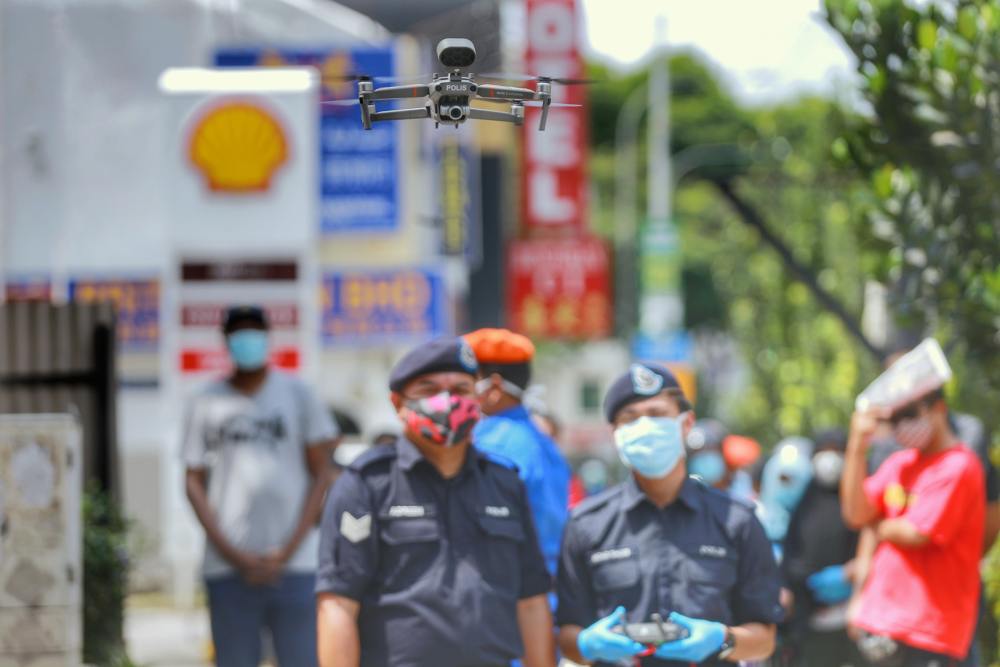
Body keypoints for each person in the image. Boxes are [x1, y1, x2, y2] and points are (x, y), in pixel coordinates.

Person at [315, 336, 556, 667]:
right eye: (429, 390)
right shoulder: (366, 485)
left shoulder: (504, 483)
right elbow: (338, 604)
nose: (448, 401)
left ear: (478, 396)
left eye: (460, 389)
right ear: (398, 403)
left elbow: (531, 601)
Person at [556, 362, 783, 666]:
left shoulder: (737, 520)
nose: (645, 426)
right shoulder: (586, 525)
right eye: (631, 418)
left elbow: (764, 639)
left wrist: (722, 639)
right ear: (616, 433)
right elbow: (568, 634)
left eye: (657, 414)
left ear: (686, 423)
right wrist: (586, 645)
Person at [181, 305, 340, 667]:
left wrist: (286, 551)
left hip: (297, 565)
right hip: (226, 569)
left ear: (267, 338)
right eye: (239, 333)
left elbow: (322, 473)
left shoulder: (298, 394)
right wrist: (234, 554)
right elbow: (192, 481)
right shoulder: (206, 401)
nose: (247, 340)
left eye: (254, 331)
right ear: (226, 341)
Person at [841, 387, 985, 666]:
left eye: (910, 414)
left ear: (939, 409)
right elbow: (856, 514)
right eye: (894, 419)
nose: (902, 426)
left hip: (931, 633)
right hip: (880, 622)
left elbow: (915, 533)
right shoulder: (899, 464)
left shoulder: (959, 465)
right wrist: (857, 446)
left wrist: (878, 522)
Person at [464, 327, 571, 583]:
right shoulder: (539, 438)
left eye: (463, 383)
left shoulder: (491, 444)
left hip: (511, 590)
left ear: (495, 387)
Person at [781, 428, 863, 667]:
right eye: (823, 452)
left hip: (853, 621)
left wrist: (851, 574)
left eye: (836, 451)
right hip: (810, 621)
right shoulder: (805, 503)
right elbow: (792, 555)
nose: (830, 459)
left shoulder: (858, 500)